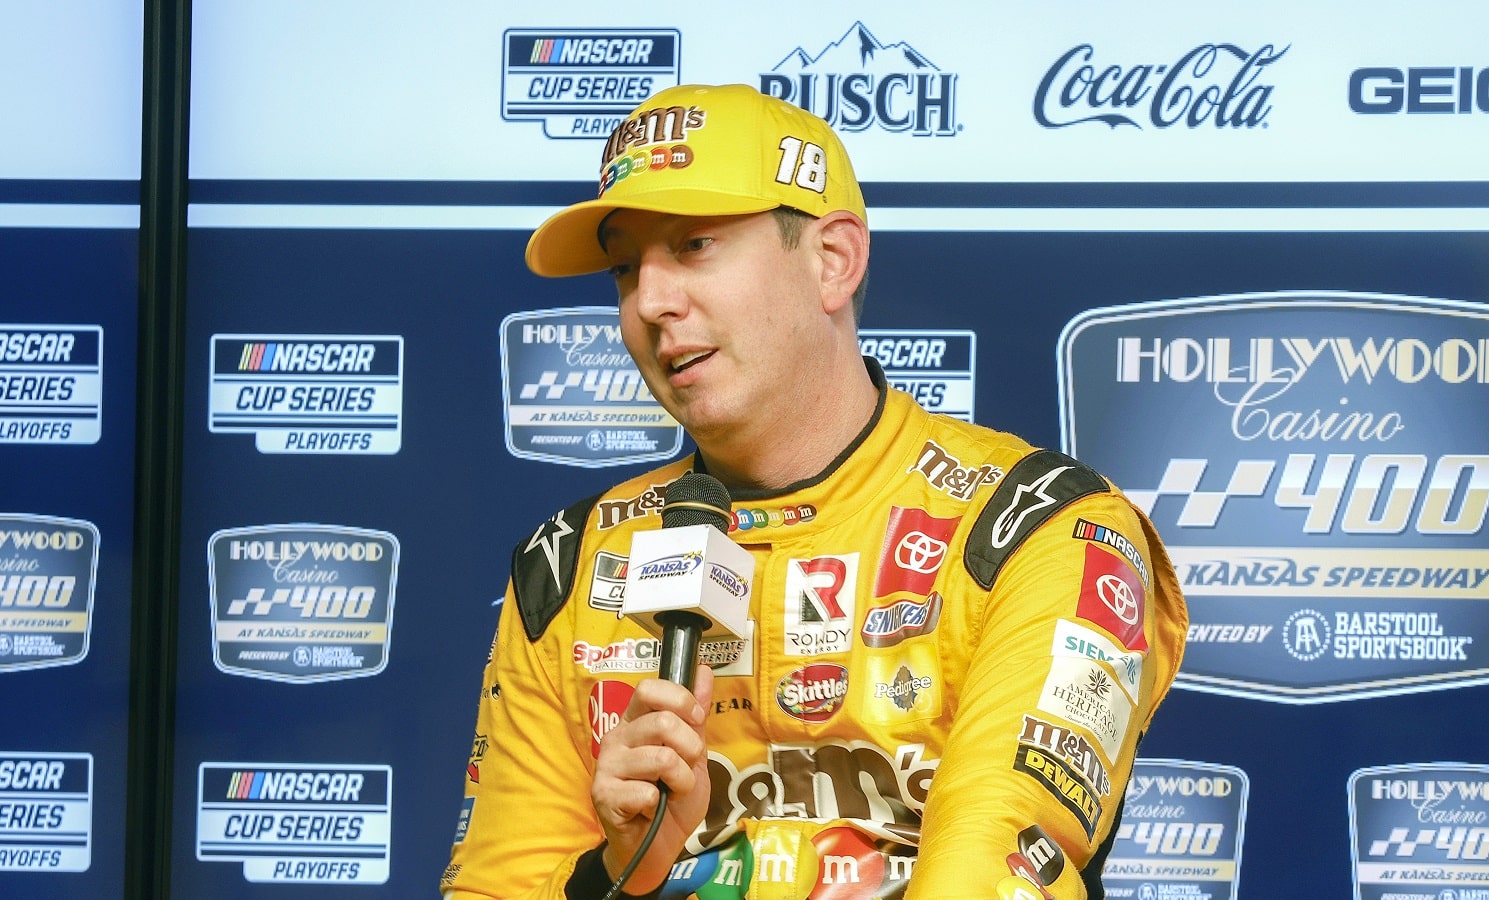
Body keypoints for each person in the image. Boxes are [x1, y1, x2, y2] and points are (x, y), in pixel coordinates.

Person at [442, 83, 1187, 900]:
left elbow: (988, 863)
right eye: (626, 267)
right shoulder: (571, 565)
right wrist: (622, 869)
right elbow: (496, 886)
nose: (651, 301)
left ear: (832, 260)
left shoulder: (1037, 529)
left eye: (693, 246)